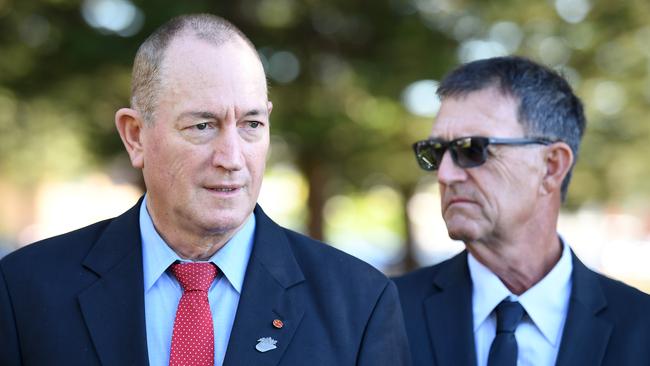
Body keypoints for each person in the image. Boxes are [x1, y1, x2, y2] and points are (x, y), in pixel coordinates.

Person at [0, 14, 410, 366]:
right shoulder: (24, 292)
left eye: (251, 125)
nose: (231, 157)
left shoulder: (360, 303)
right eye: (202, 126)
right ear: (135, 136)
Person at [394, 56, 650, 366]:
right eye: (434, 153)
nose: (446, 175)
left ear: (551, 166)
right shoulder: (388, 313)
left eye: (471, 149)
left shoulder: (640, 328)